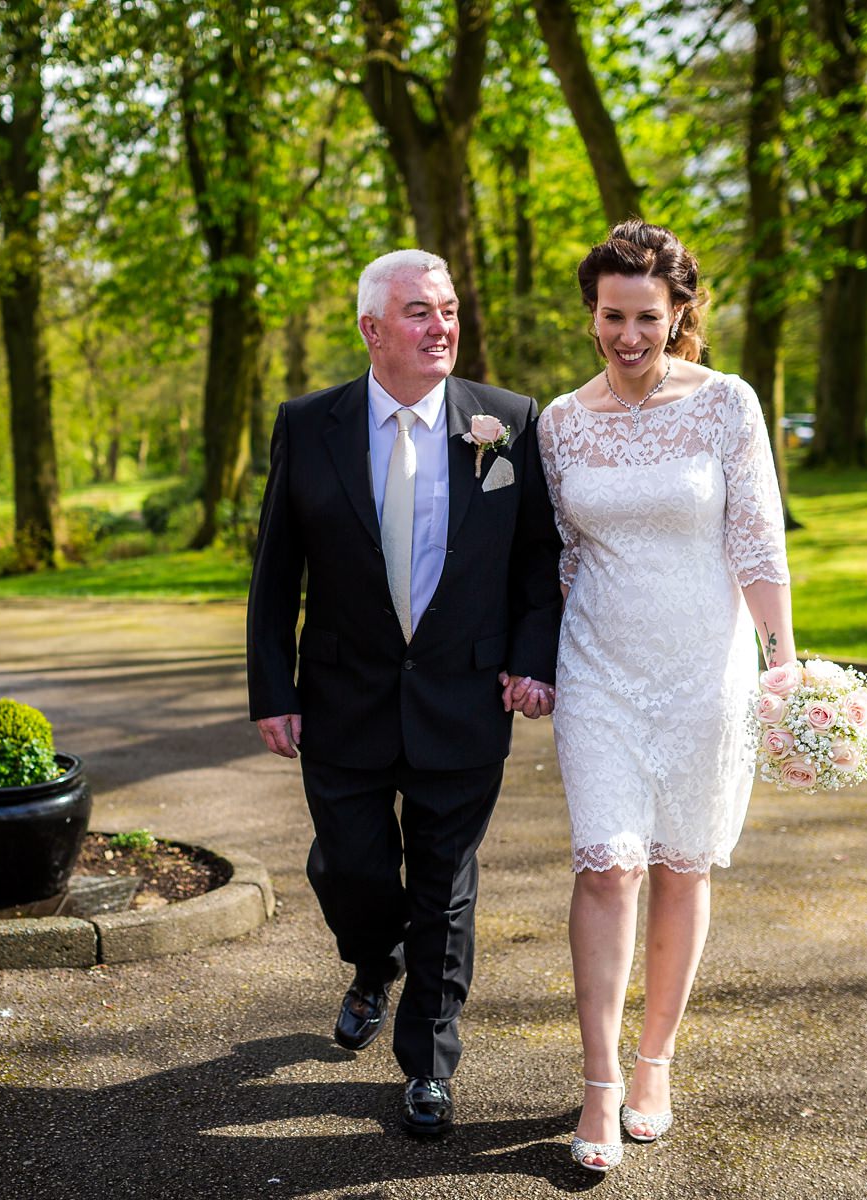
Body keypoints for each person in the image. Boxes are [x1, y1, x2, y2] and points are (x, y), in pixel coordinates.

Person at [246, 249, 563, 1137]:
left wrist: (534, 660)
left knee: (444, 888)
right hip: (342, 696)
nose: (442, 328)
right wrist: (273, 688)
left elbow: (539, 561)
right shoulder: (309, 425)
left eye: (451, 310)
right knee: (351, 869)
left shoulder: (507, 421)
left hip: (464, 700)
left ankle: (427, 1063)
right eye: (420, 312)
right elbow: (277, 572)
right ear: (371, 329)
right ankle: (370, 959)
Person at [536, 220, 794, 1173]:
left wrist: (783, 660)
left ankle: (655, 1063)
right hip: (599, 665)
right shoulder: (561, 420)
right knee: (607, 866)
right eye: (612, 316)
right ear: (592, 314)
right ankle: (599, 1080)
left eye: (648, 316)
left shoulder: (727, 405)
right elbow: (559, 555)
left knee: (684, 866)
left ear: (680, 312)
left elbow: (758, 540)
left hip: (703, 671)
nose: (629, 335)